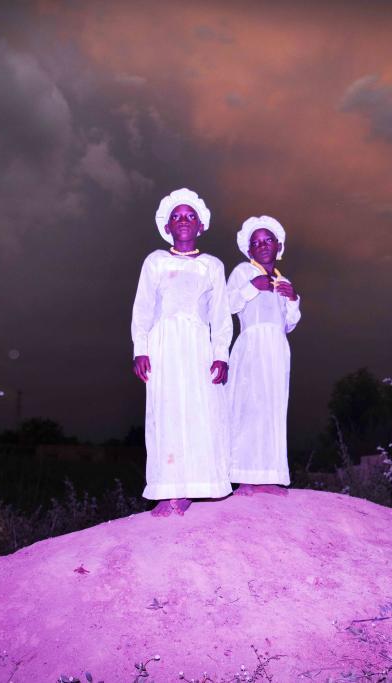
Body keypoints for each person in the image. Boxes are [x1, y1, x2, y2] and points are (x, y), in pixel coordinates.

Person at [131, 188, 233, 517]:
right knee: (166, 413)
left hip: (198, 347)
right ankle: (167, 490)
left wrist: (221, 354)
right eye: (177, 216)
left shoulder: (212, 266)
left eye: (190, 216)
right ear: (168, 226)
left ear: (201, 225)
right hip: (164, 347)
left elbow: (220, 315)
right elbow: (143, 310)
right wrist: (140, 349)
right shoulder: (155, 262)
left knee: (201, 413)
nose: (184, 221)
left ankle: (196, 487)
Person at [226, 216, 300, 496]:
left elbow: (290, 323)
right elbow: (229, 304)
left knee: (272, 409)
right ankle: (245, 476)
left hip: (277, 349)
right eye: (255, 243)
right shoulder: (243, 272)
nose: (262, 246)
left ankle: (268, 475)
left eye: (267, 240)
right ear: (249, 250)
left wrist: (293, 298)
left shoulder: (283, 280)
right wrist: (251, 287)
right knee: (249, 406)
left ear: (278, 245)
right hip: (252, 345)